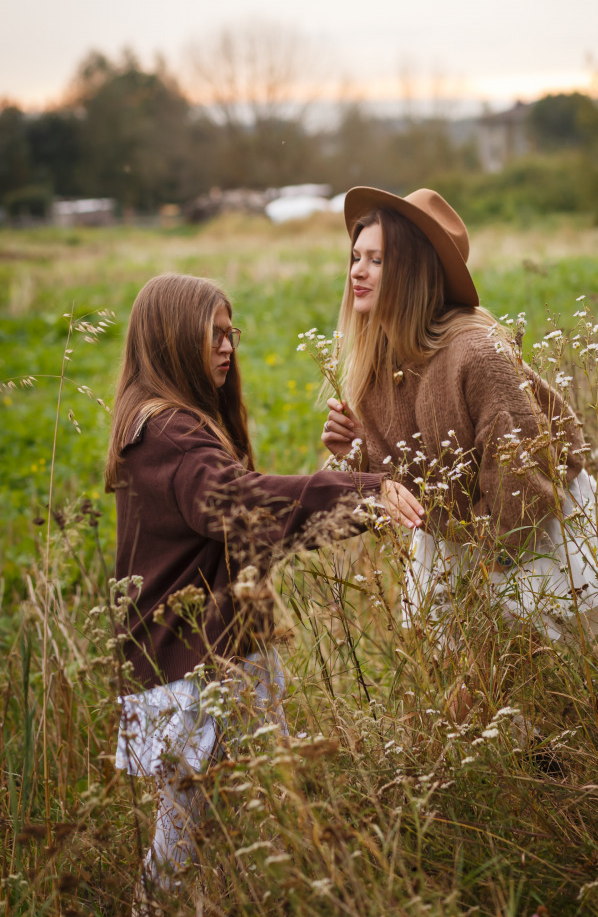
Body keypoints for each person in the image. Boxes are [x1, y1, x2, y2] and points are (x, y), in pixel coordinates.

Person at [105, 272, 423, 897]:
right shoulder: (167, 431)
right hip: (193, 665)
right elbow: (235, 504)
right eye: (213, 335)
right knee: (183, 841)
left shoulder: (178, 425)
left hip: (218, 653)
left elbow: (249, 531)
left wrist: (352, 483)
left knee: (272, 805)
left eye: (232, 334)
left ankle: (284, 895)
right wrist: (359, 493)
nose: (228, 348)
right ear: (172, 339)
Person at [321, 187, 598, 652]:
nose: (357, 273)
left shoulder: (476, 350)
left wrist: (491, 565)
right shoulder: (377, 365)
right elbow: (402, 487)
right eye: (356, 257)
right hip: (461, 543)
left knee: (536, 700)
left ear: (412, 272)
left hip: (529, 537)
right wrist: (353, 457)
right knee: (478, 707)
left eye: (377, 260)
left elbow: (521, 470)